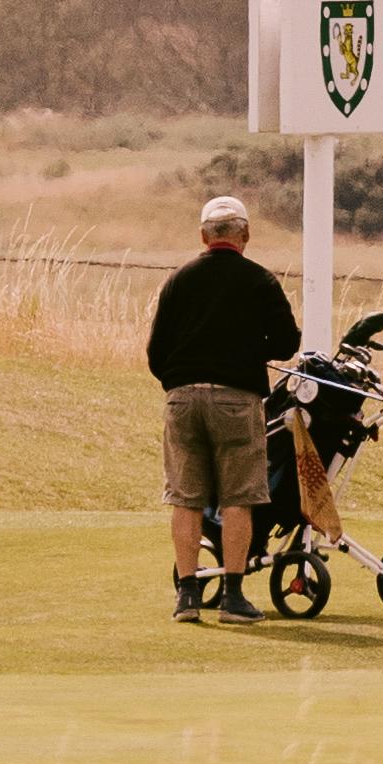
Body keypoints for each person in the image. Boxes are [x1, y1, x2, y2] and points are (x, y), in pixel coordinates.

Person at [146, 187, 313, 624]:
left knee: (185, 498)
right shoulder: (259, 280)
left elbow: (156, 352)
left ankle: (187, 596)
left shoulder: (179, 279)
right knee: (240, 497)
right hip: (237, 398)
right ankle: (234, 596)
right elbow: (285, 344)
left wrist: (178, 383)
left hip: (182, 399)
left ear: (204, 237)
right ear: (245, 235)